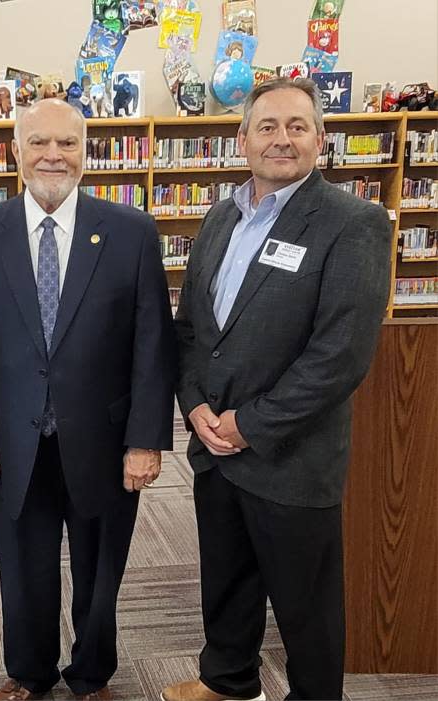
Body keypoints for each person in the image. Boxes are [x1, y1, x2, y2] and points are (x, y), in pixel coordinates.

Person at [162, 77, 392, 701]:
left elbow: (340, 354)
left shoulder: (355, 222)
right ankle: (229, 683)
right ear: (243, 139)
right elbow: (191, 330)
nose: (281, 139)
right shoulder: (219, 215)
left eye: (297, 126)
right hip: (215, 446)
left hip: (292, 457)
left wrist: (250, 424)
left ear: (321, 137)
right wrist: (198, 407)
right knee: (228, 581)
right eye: (267, 126)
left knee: (306, 606)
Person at [0, 98, 176, 701]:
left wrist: (146, 440)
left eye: (68, 144)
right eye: (39, 142)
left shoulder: (131, 231)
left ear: (86, 152)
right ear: (15, 152)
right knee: (22, 571)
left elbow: (152, 343)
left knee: (101, 572)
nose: (53, 155)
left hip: (104, 441)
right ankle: (29, 672)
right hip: (11, 443)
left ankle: (93, 674)